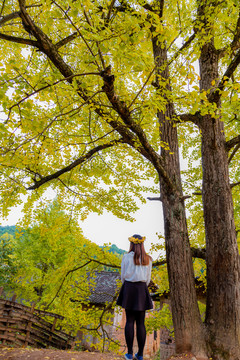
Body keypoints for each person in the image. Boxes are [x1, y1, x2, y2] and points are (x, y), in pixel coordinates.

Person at [117, 234, 153, 360]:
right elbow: (148, 279)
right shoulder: (148, 259)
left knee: (129, 321)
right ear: (142, 244)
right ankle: (141, 355)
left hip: (129, 288)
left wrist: (128, 286)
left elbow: (122, 276)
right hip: (142, 289)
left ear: (131, 244)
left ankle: (130, 353)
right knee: (141, 323)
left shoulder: (126, 257)